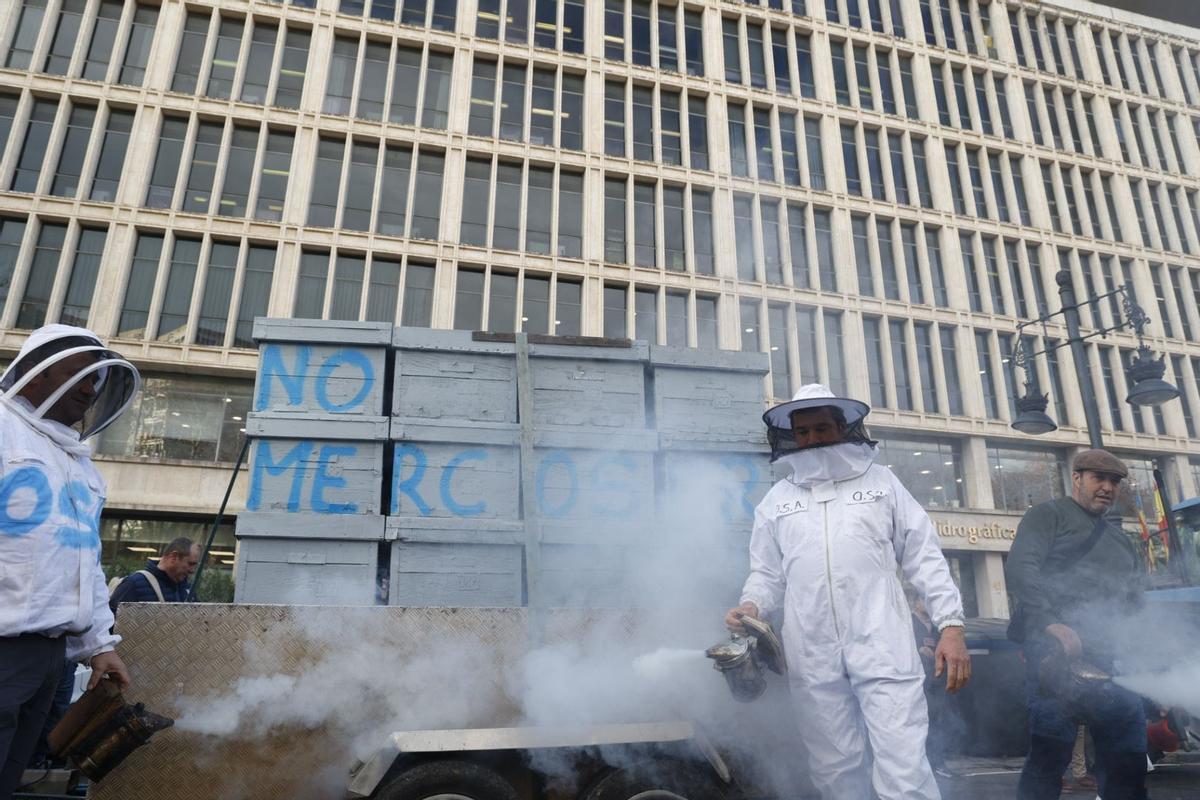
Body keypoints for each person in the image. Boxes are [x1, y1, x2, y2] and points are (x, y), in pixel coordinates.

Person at [724, 384, 970, 800]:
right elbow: (766, 573)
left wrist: (951, 625)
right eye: (803, 432)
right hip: (812, 652)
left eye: (822, 428)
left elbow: (924, 557)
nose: (812, 439)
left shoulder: (883, 484)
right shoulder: (778, 499)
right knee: (834, 769)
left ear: (843, 428)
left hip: (883, 644)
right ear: (791, 436)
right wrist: (751, 605)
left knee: (904, 768)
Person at [0, 324, 141, 798]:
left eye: (96, 380)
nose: (88, 389)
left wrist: (98, 644)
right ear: (34, 374)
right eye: (77, 374)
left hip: (49, 657)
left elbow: (84, 565)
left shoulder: (79, 464)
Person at [1005, 449, 1147, 800]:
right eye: (1099, 478)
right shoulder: (1047, 515)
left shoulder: (1121, 540)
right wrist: (1052, 623)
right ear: (1077, 478)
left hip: (1107, 657)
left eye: (1114, 482)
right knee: (1051, 749)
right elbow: (1022, 569)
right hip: (1053, 653)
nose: (1108, 488)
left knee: (1128, 751)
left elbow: (1133, 601)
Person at [109, 537, 201, 611]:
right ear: (173, 557)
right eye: (190, 564)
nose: (192, 570)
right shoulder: (133, 584)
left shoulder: (187, 589)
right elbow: (111, 626)